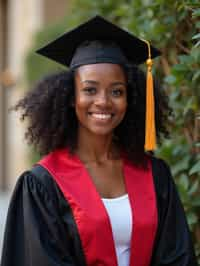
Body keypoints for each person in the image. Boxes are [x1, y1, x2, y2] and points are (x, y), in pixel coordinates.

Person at [0, 16, 197, 266]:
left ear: (131, 99)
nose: (103, 101)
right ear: (72, 97)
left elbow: (177, 256)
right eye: (90, 89)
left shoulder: (154, 175)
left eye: (117, 91)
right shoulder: (44, 184)